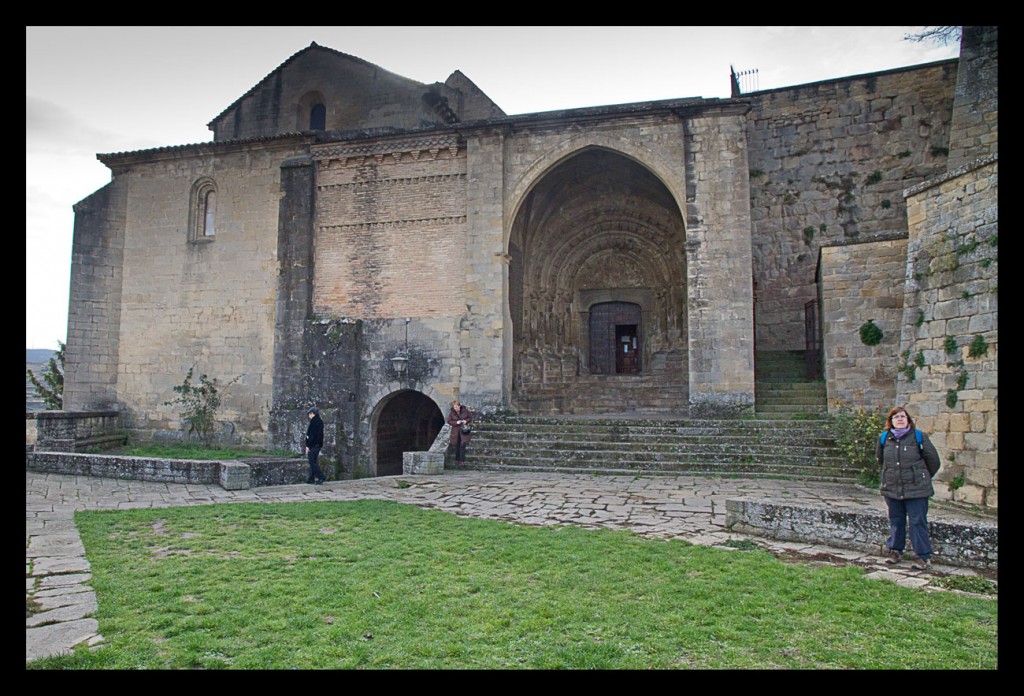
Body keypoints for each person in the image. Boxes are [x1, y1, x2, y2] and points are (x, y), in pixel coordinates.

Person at [877, 406, 941, 570]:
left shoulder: (919, 437)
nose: (899, 419)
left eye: (903, 417)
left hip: (916, 489)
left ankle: (922, 556)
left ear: (908, 420)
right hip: (892, 488)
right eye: (896, 417)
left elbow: (933, 461)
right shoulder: (884, 438)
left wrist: (920, 477)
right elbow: (881, 461)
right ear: (891, 421)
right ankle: (895, 551)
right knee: (896, 521)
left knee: (917, 522)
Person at [447, 398, 473, 466]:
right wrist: (456, 422)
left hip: (463, 430)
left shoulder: (465, 411)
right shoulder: (452, 412)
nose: (455, 408)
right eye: (454, 407)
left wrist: (465, 421)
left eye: (456, 407)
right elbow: (449, 421)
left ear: (459, 406)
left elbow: (470, 418)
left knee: (462, 445)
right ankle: (457, 460)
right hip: (456, 431)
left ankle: (462, 461)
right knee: (457, 445)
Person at [305, 406, 326, 484]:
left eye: (309, 414)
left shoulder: (314, 422)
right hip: (317, 445)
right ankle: (311, 478)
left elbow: (311, 435)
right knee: (313, 461)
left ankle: (321, 476)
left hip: (313, 445)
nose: (309, 416)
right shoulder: (319, 421)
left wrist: (308, 446)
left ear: (312, 414)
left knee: (312, 462)